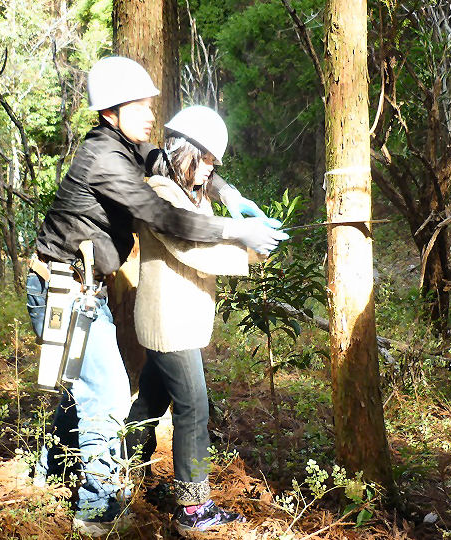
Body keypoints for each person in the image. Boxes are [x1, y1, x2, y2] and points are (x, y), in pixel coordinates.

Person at [26, 57, 287, 537]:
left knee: (88, 388)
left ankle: (48, 473)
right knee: (102, 393)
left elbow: (171, 160)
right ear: (109, 111)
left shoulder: (123, 147)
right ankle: (96, 510)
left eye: (150, 104)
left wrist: (230, 196)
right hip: (60, 286)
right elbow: (165, 217)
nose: (151, 114)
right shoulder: (104, 160)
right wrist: (239, 233)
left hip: (82, 287)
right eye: (140, 106)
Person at [127, 105, 264, 536]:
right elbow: (191, 247)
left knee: (151, 401)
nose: (210, 170)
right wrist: (250, 248)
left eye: (214, 164)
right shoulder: (161, 193)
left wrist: (233, 197)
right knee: (193, 407)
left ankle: (121, 471)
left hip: (177, 319)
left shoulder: (190, 185)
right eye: (205, 160)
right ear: (186, 153)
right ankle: (194, 507)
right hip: (169, 322)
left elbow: (210, 187)